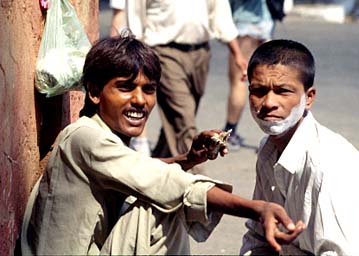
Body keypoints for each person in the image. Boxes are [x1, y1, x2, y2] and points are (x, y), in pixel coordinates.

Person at [21, 34, 304, 255]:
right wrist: (256, 208)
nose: (140, 100)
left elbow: (139, 170)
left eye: (149, 89)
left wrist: (187, 159)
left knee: (162, 189)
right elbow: (162, 182)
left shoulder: (96, 134)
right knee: (161, 203)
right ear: (94, 92)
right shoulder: (86, 137)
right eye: (125, 87)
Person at [240, 39, 359, 255]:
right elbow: (259, 236)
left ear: (309, 98)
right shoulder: (268, 151)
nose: (268, 103)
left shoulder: (326, 164)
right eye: (259, 90)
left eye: (283, 91)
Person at [122, 0, 248, 160]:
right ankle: (198, 177)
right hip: (164, 52)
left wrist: (237, 54)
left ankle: (155, 170)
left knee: (176, 121)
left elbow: (220, 14)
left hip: (200, 53)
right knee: (184, 118)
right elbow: (135, 19)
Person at [223, 0, 276, 150]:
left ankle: (231, 132)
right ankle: (273, 135)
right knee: (268, 83)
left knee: (239, 81)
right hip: (266, 25)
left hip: (245, 25)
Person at [109, 0, 151, 156]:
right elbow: (118, 16)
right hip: (127, 52)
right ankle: (141, 141)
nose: (140, 99)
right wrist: (115, 56)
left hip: (145, 49)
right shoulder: (91, 141)